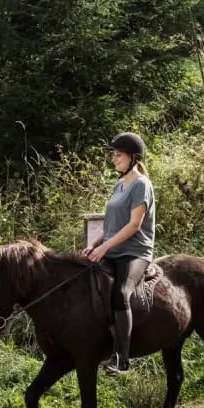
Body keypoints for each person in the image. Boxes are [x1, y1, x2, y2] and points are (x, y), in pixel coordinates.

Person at [85, 132, 156, 376]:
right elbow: (112, 223)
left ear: (133, 158)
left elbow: (134, 225)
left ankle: (122, 359)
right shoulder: (119, 184)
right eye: (113, 155)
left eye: (118, 155)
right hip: (113, 248)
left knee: (122, 292)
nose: (113, 160)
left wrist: (105, 247)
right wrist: (96, 244)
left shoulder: (141, 185)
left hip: (135, 251)